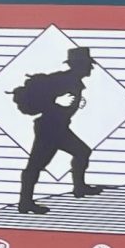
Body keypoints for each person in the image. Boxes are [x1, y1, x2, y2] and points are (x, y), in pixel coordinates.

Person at [13, 45, 108, 215]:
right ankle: (25, 203)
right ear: (78, 66)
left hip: (59, 128)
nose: (91, 68)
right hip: (49, 129)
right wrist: (56, 101)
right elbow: (41, 99)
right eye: (87, 65)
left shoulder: (74, 82)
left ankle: (79, 188)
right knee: (35, 166)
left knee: (82, 152)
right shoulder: (60, 79)